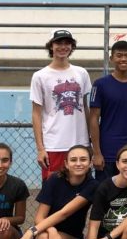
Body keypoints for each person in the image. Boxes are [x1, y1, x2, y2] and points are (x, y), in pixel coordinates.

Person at [31, 28, 91, 182]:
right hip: (53, 144)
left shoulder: (81, 73)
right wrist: (40, 148)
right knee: (53, 192)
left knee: (80, 192)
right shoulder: (40, 76)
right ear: (51, 46)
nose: (63, 47)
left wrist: (90, 140)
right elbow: (36, 114)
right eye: (58, 43)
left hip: (80, 143)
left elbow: (85, 107)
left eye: (67, 43)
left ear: (72, 47)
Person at [89, 40, 127, 181]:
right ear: (111, 58)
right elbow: (94, 119)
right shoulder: (100, 84)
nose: (123, 59)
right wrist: (96, 153)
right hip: (107, 151)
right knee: (105, 193)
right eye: (119, 55)